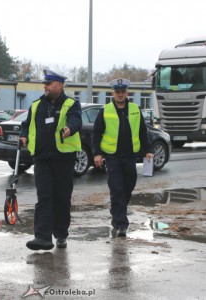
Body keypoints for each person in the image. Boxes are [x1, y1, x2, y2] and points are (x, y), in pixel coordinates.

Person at [20, 69, 82, 250]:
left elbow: (75, 120)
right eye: (44, 84)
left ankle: (61, 234)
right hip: (41, 158)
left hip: (63, 158)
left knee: (62, 198)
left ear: (60, 86)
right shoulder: (37, 105)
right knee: (44, 197)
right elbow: (26, 124)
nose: (45, 87)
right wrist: (24, 136)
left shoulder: (71, 104)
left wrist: (70, 128)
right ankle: (42, 237)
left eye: (49, 84)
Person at [91, 78, 154, 238]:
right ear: (112, 93)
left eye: (123, 92)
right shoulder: (105, 110)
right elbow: (96, 133)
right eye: (117, 92)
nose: (120, 94)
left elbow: (142, 131)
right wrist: (97, 153)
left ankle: (116, 210)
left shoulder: (134, 109)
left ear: (127, 93)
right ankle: (121, 225)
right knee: (117, 188)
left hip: (130, 156)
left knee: (128, 187)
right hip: (112, 156)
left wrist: (147, 150)